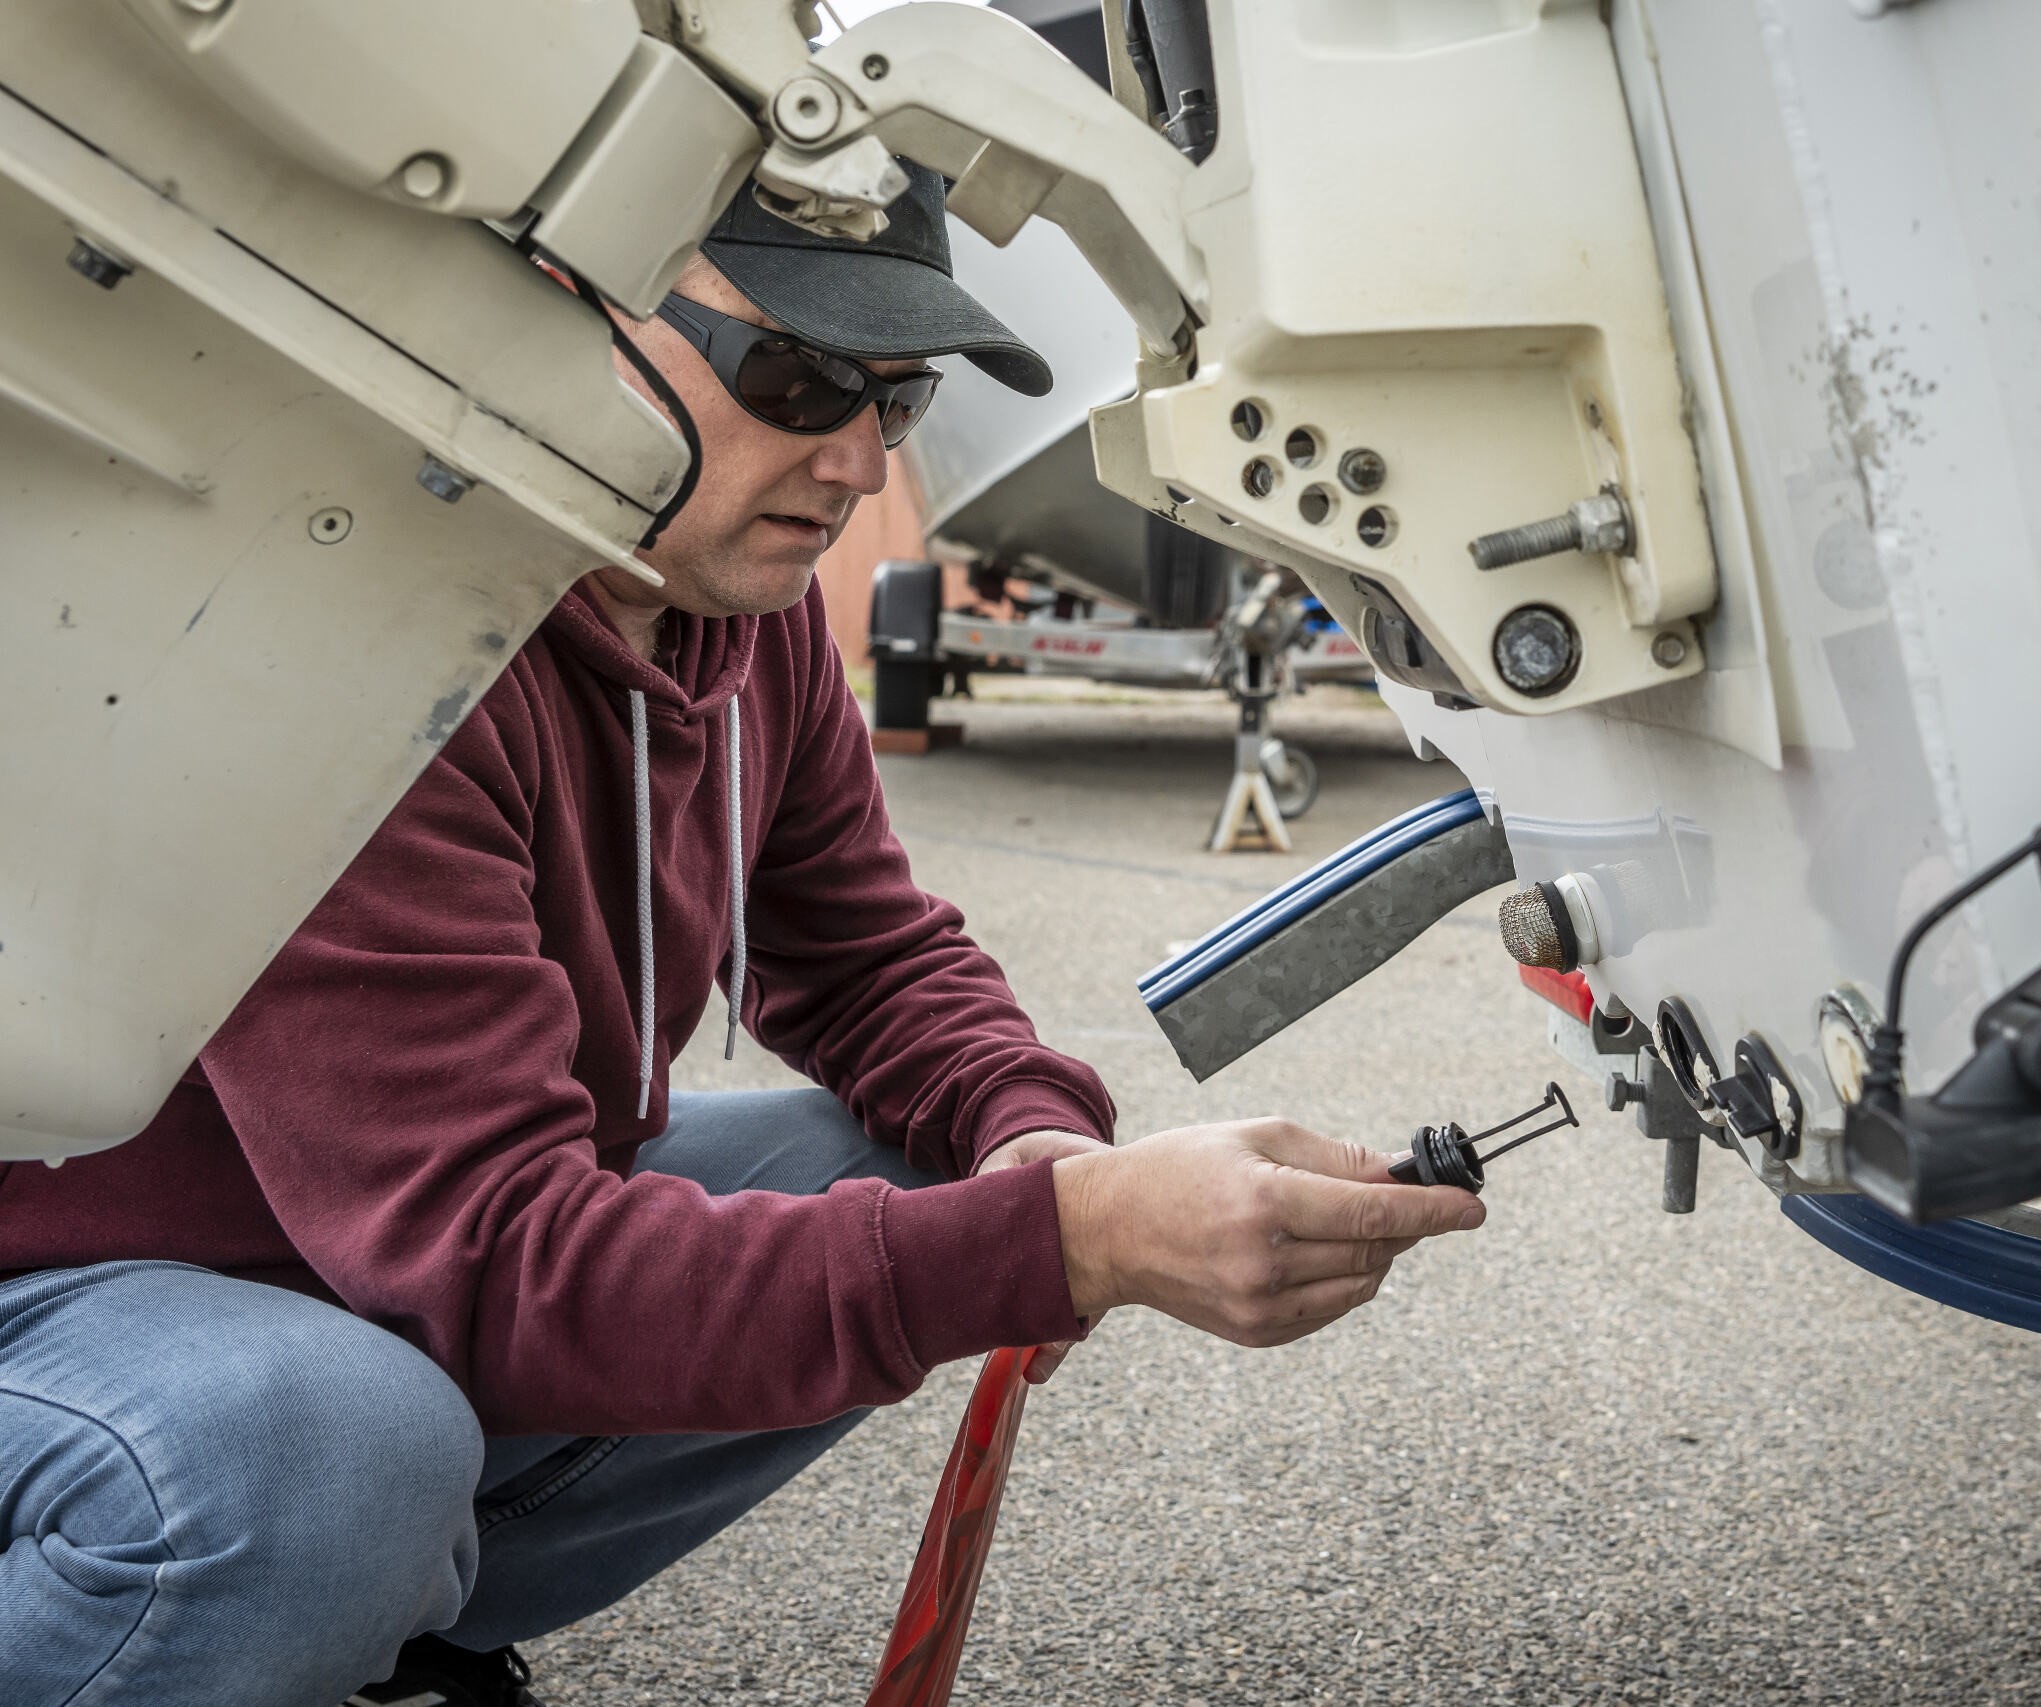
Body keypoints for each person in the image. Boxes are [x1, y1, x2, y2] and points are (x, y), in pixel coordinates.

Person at [0, 170, 1485, 1707]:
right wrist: (1074, 1242)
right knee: (323, 1461)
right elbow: (501, 1263)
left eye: (896, 400)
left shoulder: (741, 620)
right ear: (578, 314)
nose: (850, 460)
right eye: (796, 377)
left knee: (917, 1173)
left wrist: (1037, 1146)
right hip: (68, 1292)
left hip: (358, 1270)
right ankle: (296, 1576)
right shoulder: (355, 649)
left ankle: (374, 1637)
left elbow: (868, 958)